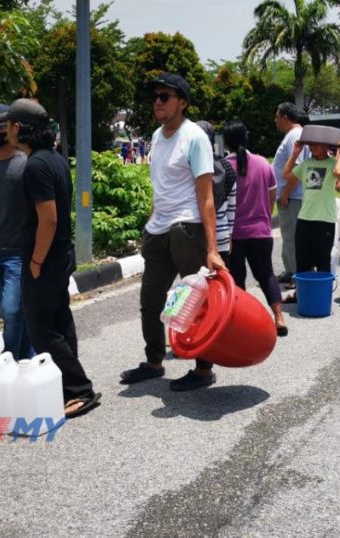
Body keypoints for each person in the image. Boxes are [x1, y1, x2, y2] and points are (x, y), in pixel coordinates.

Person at [120, 72, 225, 392]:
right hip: (158, 229)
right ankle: (154, 361)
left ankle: (204, 369)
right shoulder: (157, 135)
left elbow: (206, 195)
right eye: (155, 97)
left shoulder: (195, 137)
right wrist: (151, 222)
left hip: (187, 228)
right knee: (151, 300)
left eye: (165, 97)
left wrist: (212, 247)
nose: (157, 102)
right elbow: (160, 185)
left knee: (196, 301)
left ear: (182, 102)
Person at [3, 98, 100, 417]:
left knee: (41, 328)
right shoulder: (54, 159)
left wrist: (35, 262)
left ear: (18, 127)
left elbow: (49, 219)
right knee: (59, 320)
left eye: (8, 124)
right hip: (60, 254)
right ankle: (65, 385)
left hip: (46, 258)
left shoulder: (35, 166)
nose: (6, 130)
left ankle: (78, 389)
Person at [0, 103, 34, 360]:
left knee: (11, 312)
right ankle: (28, 359)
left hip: (16, 254)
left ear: (10, 129)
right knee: (14, 313)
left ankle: (7, 359)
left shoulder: (25, 165)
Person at [223, 121, 288, 336]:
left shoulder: (222, 167)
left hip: (233, 235)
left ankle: (243, 323)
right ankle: (278, 317)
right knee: (266, 275)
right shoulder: (263, 164)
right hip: (260, 231)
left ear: (226, 142)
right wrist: (264, 220)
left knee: (236, 278)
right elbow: (271, 198)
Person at [282, 136, 340, 303]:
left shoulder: (332, 164)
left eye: (317, 143)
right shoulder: (306, 163)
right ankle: (301, 295)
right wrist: (295, 153)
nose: (313, 146)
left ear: (326, 145)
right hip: (305, 218)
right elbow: (286, 175)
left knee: (322, 260)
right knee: (302, 260)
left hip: (324, 219)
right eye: (311, 144)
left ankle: (322, 297)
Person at [272, 102, 308, 284]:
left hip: (292, 197)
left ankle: (294, 274)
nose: (275, 120)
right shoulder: (296, 134)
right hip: (292, 195)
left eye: (277, 116)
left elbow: (297, 168)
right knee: (290, 236)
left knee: (292, 237)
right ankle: (291, 271)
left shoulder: (295, 135)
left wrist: (285, 193)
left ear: (285, 117)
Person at [196, 120, 236, 264]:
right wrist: (230, 235)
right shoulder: (226, 166)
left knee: (198, 284)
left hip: (197, 236)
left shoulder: (189, 168)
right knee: (221, 284)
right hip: (222, 234)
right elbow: (232, 207)